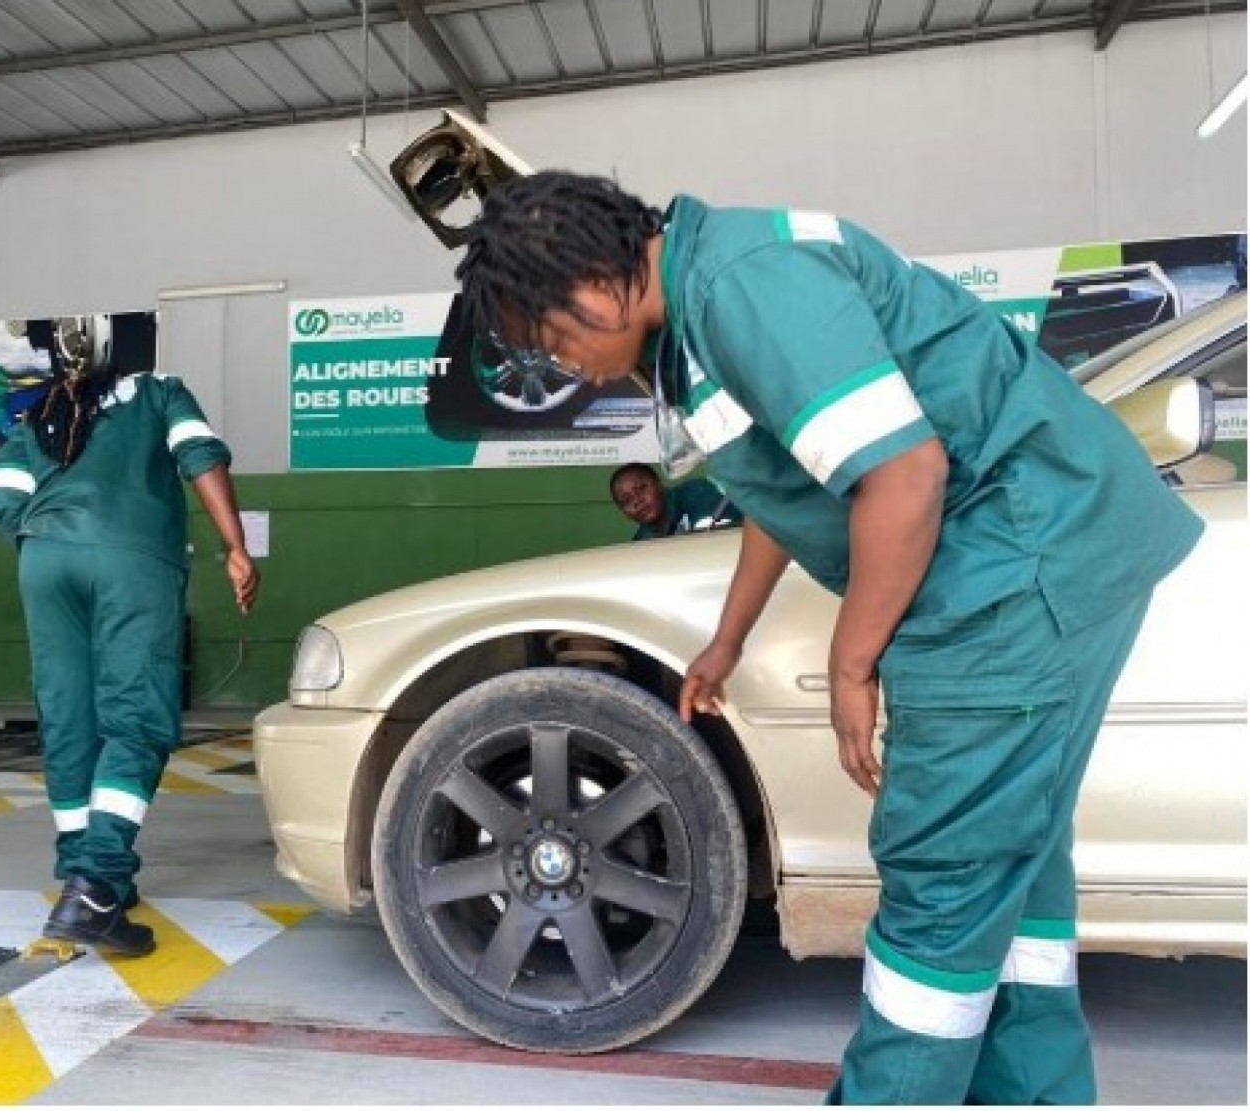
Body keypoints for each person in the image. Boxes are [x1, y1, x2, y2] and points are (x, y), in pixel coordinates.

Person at [453, 171, 1202, 1104]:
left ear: (597, 277)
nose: (567, 365)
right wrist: (728, 639)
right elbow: (790, 481)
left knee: (946, 869)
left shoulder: (745, 286)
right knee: (1012, 859)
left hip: (1015, 569)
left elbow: (902, 474)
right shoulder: (703, 306)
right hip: (1045, 551)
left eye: (557, 336)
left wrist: (853, 664)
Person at [0, 314, 259, 957]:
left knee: (69, 719)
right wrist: (236, 547)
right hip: (131, 559)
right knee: (135, 717)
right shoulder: (160, 390)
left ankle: (81, 870)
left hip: (43, 561)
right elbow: (201, 456)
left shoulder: (41, 414)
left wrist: (47, 538)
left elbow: (2, 497)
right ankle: (98, 888)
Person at [609, 462, 742, 540]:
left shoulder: (698, 494)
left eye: (641, 488)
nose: (637, 501)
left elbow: (720, 542)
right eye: (626, 500)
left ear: (659, 484)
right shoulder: (642, 541)